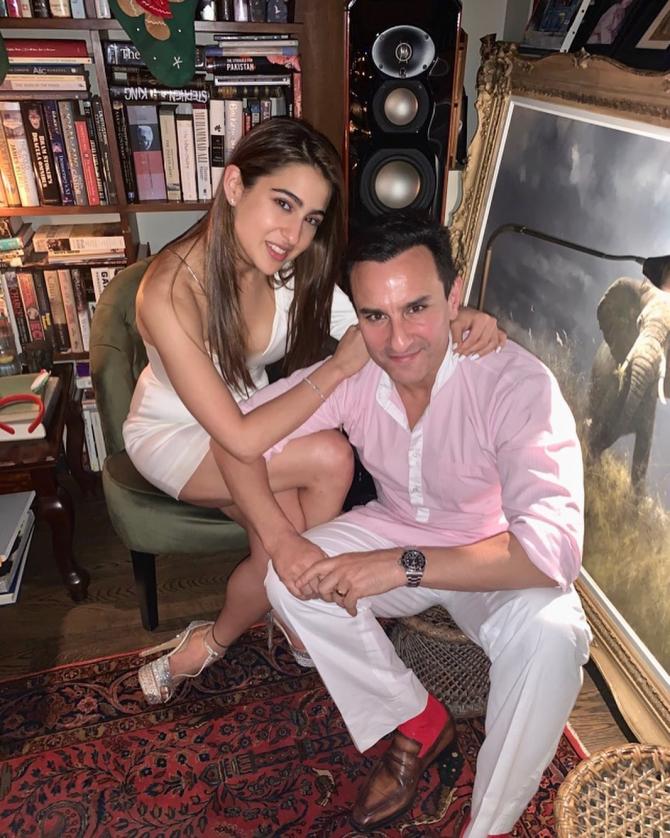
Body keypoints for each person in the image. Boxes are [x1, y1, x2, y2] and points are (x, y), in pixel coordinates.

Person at [217, 212, 592, 838]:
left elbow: (552, 550)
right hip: (396, 524)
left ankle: (488, 827)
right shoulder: (356, 371)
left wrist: (402, 565)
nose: (397, 341)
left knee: (555, 635)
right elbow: (236, 440)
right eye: (375, 315)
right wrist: (282, 542)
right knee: (288, 579)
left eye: (417, 308)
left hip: (492, 553)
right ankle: (417, 721)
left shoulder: (515, 383)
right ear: (356, 315)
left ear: (453, 295)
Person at [124, 119, 501, 704]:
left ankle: (245, 626)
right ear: (234, 186)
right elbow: (237, 439)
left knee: (294, 525)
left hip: (258, 418)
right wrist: (336, 371)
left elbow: (373, 322)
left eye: (311, 219)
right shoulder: (168, 293)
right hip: (180, 435)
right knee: (324, 467)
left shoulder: (282, 262)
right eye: (283, 203)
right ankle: (265, 618)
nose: (294, 235)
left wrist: (452, 320)